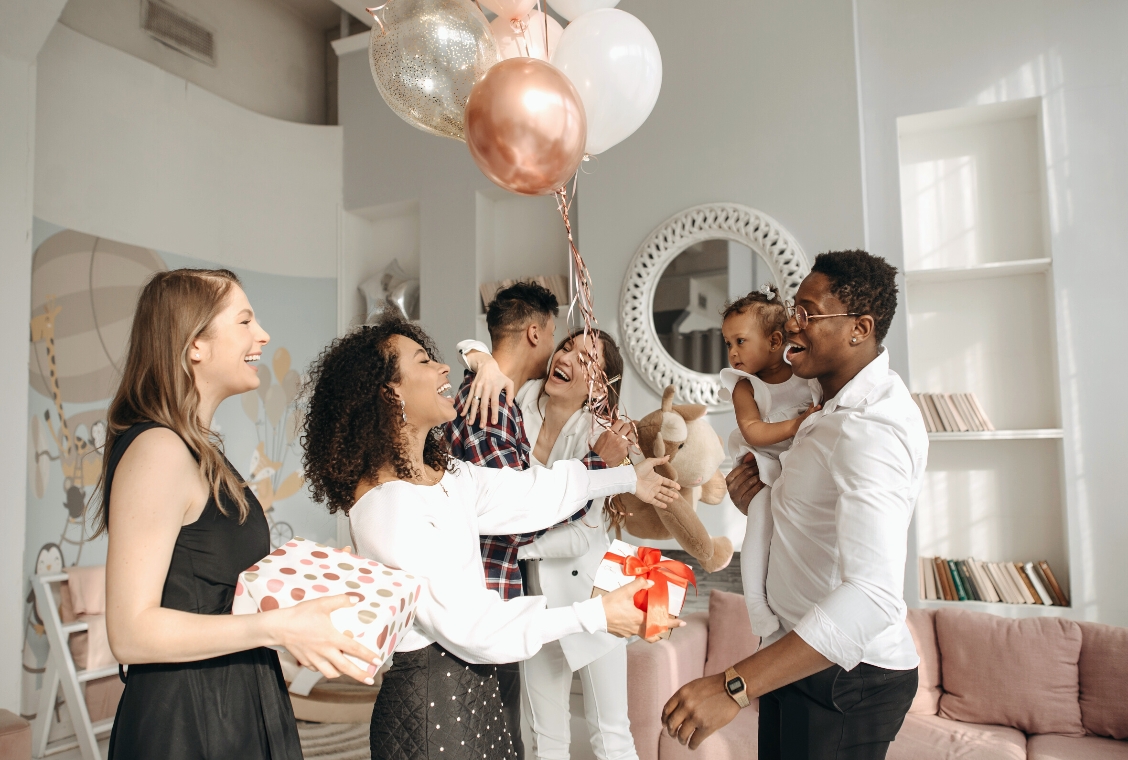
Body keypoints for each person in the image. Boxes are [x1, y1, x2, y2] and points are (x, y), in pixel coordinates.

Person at [299, 316, 683, 760]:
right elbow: (477, 628)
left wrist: (626, 478)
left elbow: (534, 493)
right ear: (390, 393)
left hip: (475, 702)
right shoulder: (388, 508)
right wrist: (597, 614)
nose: (444, 367)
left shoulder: (447, 475)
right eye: (423, 361)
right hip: (433, 718)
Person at [96, 269, 378, 760]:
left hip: (234, 701)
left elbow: (209, 587)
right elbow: (130, 632)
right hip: (187, 720)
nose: (262, 335)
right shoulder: (159, 449)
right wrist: (277, 627)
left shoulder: (197, 451)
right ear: (194, 345)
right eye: (245, 321)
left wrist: (313, 581)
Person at [662, 250, 928, 760]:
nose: (791, 324)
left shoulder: (871, 430)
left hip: (845, 676)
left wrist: (734, 686)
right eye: (793, 310)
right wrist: (761, 501)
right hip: (796, 654)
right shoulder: (819, 403)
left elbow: (872, 595)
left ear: (859, 329)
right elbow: (819, 511)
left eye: (809, 313)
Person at [446, 281, 631, 757]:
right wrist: (479, 357)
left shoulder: (602, 436)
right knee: (544, 735)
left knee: (611, 731)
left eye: (586, 359)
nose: (565, 356)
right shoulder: (513, 400)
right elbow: (487, 352)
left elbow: (582, 533)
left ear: (600, 385)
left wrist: (513, 539)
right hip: (533, 597)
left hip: (592, 589)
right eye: (565, 345)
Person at [718, 283, 819, 639]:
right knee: (760, 517)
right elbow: (752, 430)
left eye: (740, 341)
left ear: (775, 341)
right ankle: (755, 603)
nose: (732, 352)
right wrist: (795, 424)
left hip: (797, 464)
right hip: (762, 460)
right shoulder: (745, 386)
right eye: (728, 343)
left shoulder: (807, 373)